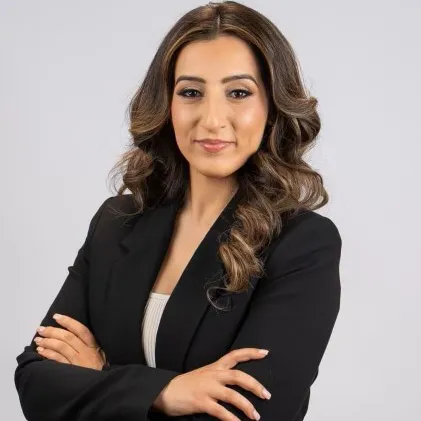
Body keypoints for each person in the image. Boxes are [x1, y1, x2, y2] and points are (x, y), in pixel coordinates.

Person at [14, 1, 342, 420]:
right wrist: (167, 392)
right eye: (190, 92)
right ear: (166, 105)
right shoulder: (116, 223)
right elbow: (36, 383)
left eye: (238, 93)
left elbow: (249, 413)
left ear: (272, 107)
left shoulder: (303, 244)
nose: (212, 119)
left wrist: (102, 378)